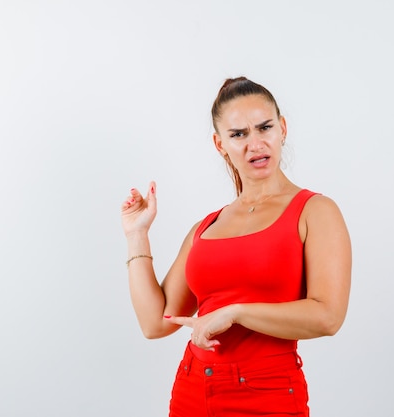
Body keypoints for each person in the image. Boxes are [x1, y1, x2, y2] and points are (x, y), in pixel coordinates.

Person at [120, 77, 351, 417]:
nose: (255, 143)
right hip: (192, 390)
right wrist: (136, 234)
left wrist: (236, 312)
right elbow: (156, 323)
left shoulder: (315, 211)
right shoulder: (206, 227)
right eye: (239, 134)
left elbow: (328, 317)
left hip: (268, 395)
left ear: (282, 129)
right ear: (219, 143)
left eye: (265, 127)